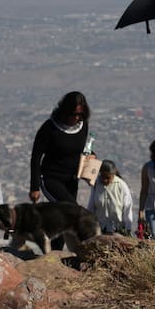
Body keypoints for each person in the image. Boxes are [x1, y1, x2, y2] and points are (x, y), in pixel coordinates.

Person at [30, 91, 93, 250]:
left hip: (71, 179)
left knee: (64, 218)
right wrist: (35, 186)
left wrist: (90, 159)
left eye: (81, 114)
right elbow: (36, 156)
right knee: (72, 210)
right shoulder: (50, 128)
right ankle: (83, 247)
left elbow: (82, 150)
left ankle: (54, 251)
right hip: (51, 178)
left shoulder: (82, 126)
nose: (77, 117)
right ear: (65, 111)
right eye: (74, 114)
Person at [87, 159, 135, 235]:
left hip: (116, 229)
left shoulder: (121, 185)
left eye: (108, 178)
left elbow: (127, 208)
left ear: (113, 174)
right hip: (100, 228)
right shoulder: (96, 185)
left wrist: (128, 228)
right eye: (103, 177)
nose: (105, 180)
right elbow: (91, 206)